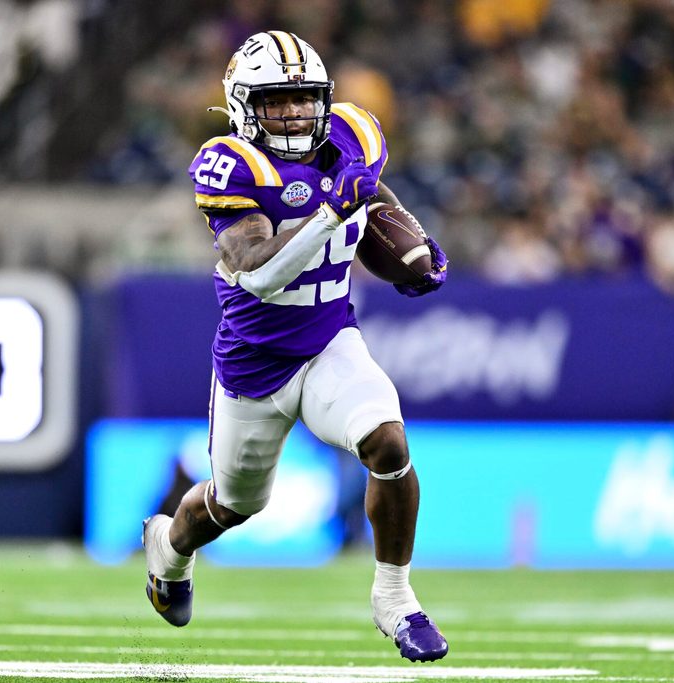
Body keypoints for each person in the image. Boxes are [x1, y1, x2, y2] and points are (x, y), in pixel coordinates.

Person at [141, 31, 449, 662]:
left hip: (330, 339)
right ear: (243, 105)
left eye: (304, 99)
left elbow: (368, 194)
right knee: (233, 505)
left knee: (388, 442)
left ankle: (394, 597)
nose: (293, 113)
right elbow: (256, 268)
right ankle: (169, 551)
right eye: (277, 100)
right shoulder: (229, 164)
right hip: (255, 364)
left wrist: (411, 244)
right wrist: (330, 215)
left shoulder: (352, 132)